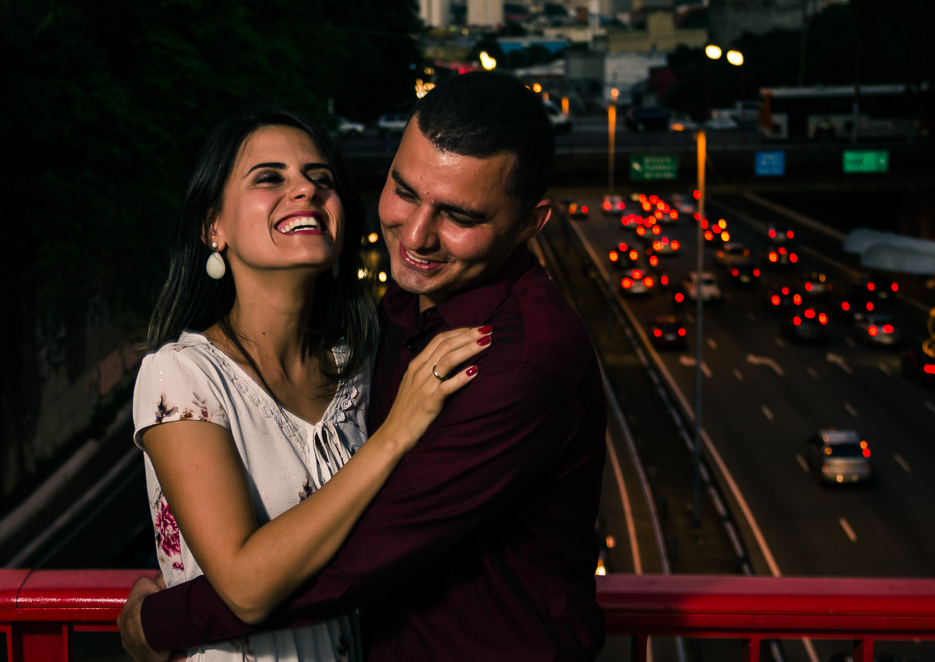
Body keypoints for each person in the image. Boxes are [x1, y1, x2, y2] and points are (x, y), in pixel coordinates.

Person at [120, 72, 608, 662]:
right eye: (404, 191)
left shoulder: (512, 361)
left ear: (530, 223)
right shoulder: (384, 322)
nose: (418, 236)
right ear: (212, 226)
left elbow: (355, 558)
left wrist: (160, 622)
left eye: (459, 216)